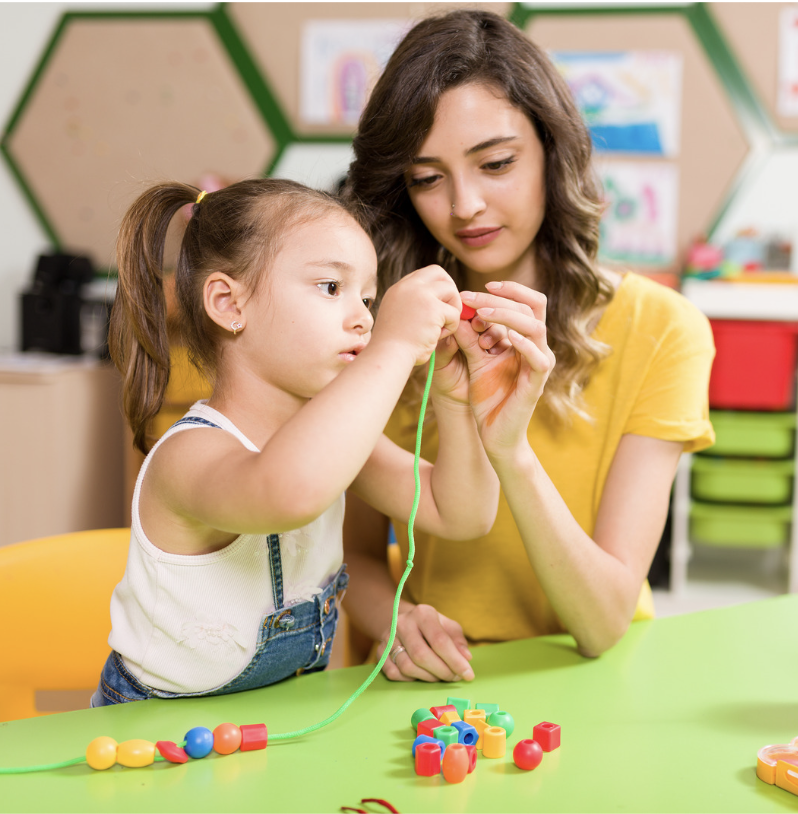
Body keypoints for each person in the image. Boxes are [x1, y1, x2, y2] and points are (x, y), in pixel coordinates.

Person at [341, 9, 716, 683]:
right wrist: (392, 619)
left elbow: (603, 623)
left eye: (497, 163)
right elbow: (355, 558)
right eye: (427, 178)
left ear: (554, 149)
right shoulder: (386, 329)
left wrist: (509, 449)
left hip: (592, 681)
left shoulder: (663, 329)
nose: (466, 206)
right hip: (434, 686)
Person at [92, 177, 514, 705]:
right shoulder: (187, 457)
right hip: (158, 741)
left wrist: (455, 401)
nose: (364, 318)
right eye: (331, 288)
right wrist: (396, 342)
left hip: (276, 726)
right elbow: (287, 492)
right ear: (228, 303)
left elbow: (463, 513)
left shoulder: (330, 443)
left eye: (369, 298)